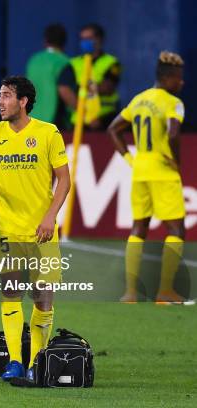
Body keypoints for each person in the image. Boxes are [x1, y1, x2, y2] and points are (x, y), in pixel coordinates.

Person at [0, 76, 71, 382]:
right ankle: (14, 361)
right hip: (8, 228)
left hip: (42, 230)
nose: (0, 101)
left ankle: (38, 360)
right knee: (10, 292)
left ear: (23, 101)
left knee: (42, 298)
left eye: (7, 96)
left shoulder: (48, 132)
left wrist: (50, 217)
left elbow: (64, 180)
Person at [108, 51, 187, 305]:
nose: (182, 83)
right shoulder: (173, 102)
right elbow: (174, 134)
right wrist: (176, 160)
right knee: (175, 228)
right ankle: (165, 292)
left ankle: (130, 293)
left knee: (138, 227)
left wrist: (130, 159)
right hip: (163, 171)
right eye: (179, 78)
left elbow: (113, 129)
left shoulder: (139, 100)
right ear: (170, 77)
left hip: (139, 169)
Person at [70, 23, 121, 129]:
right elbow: (67, 90)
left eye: (89, 38)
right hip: (78, 118)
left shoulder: (111, 62)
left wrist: (82, 87)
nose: (85, 42)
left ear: (99, 40)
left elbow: (108, 87)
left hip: (104, 116)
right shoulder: (73, 63)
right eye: (83, 39)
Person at [26, 23, 77, 130]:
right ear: (64, 41)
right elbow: (65, 90)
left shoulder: (34, 61)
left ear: (45, 41)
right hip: (55, 121)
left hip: (31, 120)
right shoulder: (63, 62)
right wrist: (83, 112)